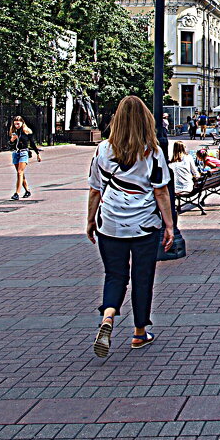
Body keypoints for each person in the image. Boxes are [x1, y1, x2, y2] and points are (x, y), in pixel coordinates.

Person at [86, 95, 174, 357]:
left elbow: (94, 190)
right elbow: (161, 192)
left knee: (115, 275)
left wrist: (91, 220)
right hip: (144, 225)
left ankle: (108, 316)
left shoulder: (103, 150)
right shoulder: (152, 152)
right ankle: (139, 333)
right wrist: (169, 226)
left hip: (110, 223)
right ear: (145, 121)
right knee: (142, 277)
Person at [8, 115, 41, 200]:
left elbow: (32, 143)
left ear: (22, 123)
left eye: (18, 124)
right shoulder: (13, 132)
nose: (17, 126)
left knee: (19, 172)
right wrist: (12, 140)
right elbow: (9, 145)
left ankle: (17, 193)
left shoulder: (27, 132)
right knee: (21, 174)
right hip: (16, 153)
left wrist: (37, 153)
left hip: (24, 152)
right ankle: (27, 190)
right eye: (15, 124)